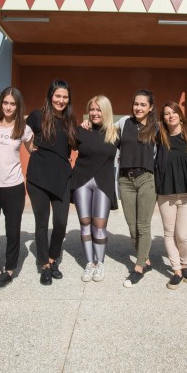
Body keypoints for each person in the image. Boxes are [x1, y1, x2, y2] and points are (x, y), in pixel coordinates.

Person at [0, 87, 34, 290]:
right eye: (5, 103)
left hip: (14, 186)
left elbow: (35, 150)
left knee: (12, 231)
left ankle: (9, 270)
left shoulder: (23, 129)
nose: (9, 107)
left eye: (13, 104)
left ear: (18, 106)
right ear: (0, 103)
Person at [26, 79, 78, 286]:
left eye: (65, 97)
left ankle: (53, 257)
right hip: (38, 176)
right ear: (50, 96)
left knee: (61, 222)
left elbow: (77, 142)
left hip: (62, 177)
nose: (61, 100)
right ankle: (44, 264)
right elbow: (20, 132)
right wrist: (29, 148)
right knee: (41, 222)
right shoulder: (37, 116)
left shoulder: (70, 121)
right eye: (58, 96)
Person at [71, 95, 119, 282]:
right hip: (81, 181)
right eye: (92, 109)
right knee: (84, 223)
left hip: (103, 183)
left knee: (99, 226)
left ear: (106, 111)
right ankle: (90, 263)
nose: (94, 113)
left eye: (99, 109)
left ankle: (100, 263)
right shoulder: (81, 131)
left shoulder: (115, 133)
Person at [155, 101, 187, 290]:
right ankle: (177, 270)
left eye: (174, 112)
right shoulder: (160, 136)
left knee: (182, 235)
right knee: (169, 233)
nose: (171, 116)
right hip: (166, 192)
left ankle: (185, 263)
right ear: (163, 118)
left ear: (180, 115)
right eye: (167, 113)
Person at [117, 89, 158, 288]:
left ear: (150, 107)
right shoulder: (124, 122)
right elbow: (104, 130)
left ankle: (139, 267)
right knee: (132, 227)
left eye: (143, 104)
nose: (138, 108)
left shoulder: (157, 128)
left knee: (143, 225)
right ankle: (146, 260)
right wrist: (88, 124)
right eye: (136, 104)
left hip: (146, 179)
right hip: (125, 180)